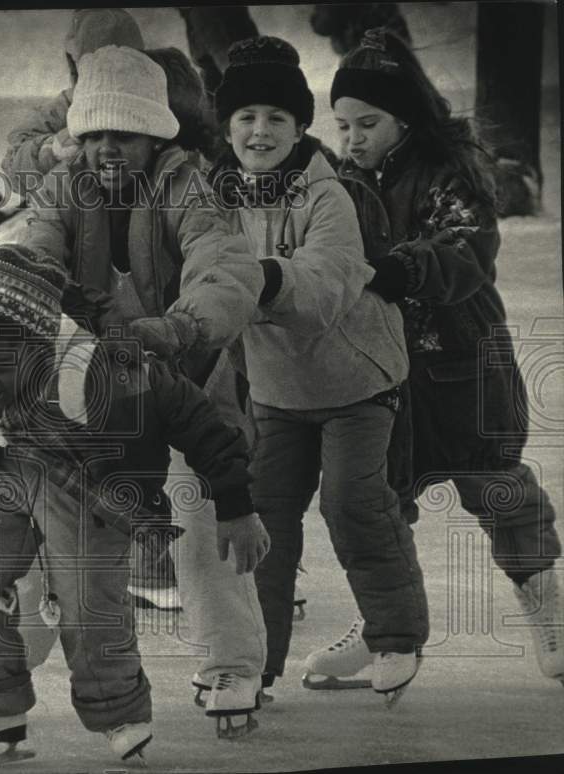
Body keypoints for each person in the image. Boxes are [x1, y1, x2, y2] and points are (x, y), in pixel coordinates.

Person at [0, 244, 262, 763]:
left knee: (86, 592)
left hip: (91, 481)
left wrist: (236, 506)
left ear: (38, 346)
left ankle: (118, 709)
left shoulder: (112, 370)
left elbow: (200, 423)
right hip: (7, 465)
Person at [23, 45, 273, 731]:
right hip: (90, 391)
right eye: (94, 135)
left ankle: (232, 668)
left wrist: (173, 331)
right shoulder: (59, 192)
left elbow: (225, 272)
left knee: (202, 526)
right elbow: (29, 261)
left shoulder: (192, 189)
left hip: (190, 378)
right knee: (41, 521)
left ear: (155, 134)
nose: (107, 149)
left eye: (123, 136)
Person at [312, 27, 562, 686]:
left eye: (368, 123)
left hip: (464, 365)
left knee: (498, 486)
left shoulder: (452, 176)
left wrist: (393, 268)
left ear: (405, 117)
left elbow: (465, 254)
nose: (353, 138)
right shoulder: (340, 184)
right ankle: (386, 629)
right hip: (387, 376)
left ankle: (548, 609)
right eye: (342, 126)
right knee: (377, 504)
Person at [206, 34, 429, 704]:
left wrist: (253, 278)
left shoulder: (329, 195)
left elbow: (326, 285)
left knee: (351, 502)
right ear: (227, 127)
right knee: (262, 519)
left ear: (301, 126)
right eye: (246, 117)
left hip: (358, 382)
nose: (260, 130)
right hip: (277, 391)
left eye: (277, 117)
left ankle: (394, 638)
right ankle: (253, 662)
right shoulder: (212, 194)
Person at [0, 8, 144, 198]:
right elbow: (13, 166)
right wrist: (52, 150)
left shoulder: (156, 103)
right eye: (100, 63)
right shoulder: (66, 106)